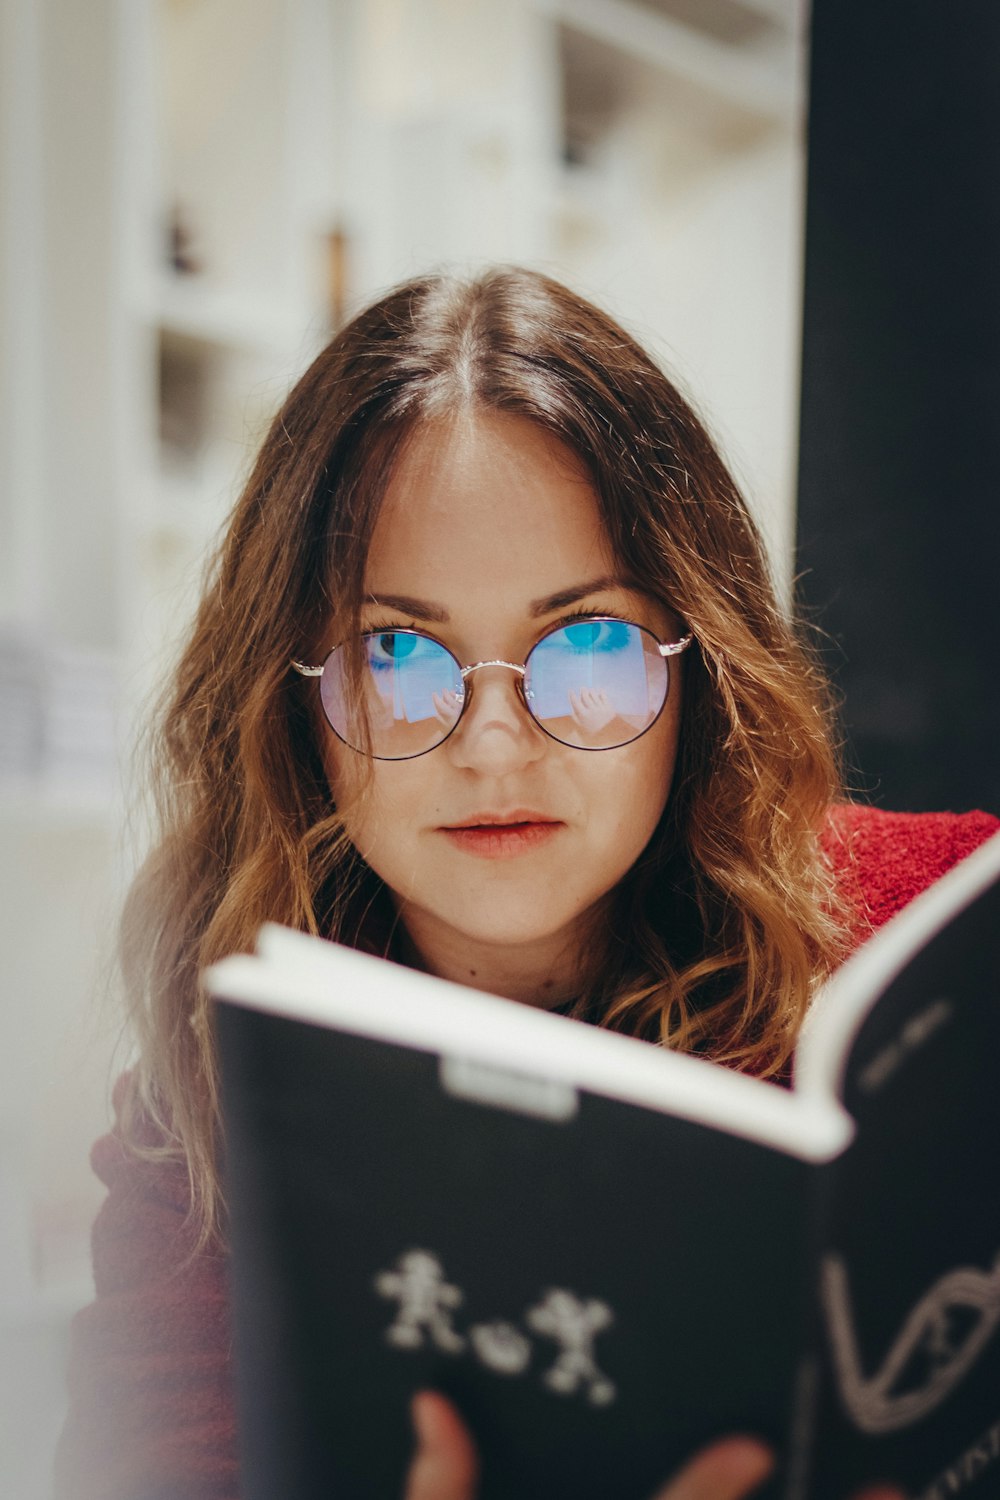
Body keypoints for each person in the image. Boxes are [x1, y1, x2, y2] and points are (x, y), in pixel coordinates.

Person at [55, 266, 995, 1500]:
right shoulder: (216, 1107)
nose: (493, 743)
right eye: (398, 652)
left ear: (697, 671)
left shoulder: (943, 924)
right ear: (297, 712)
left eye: (589, 644)